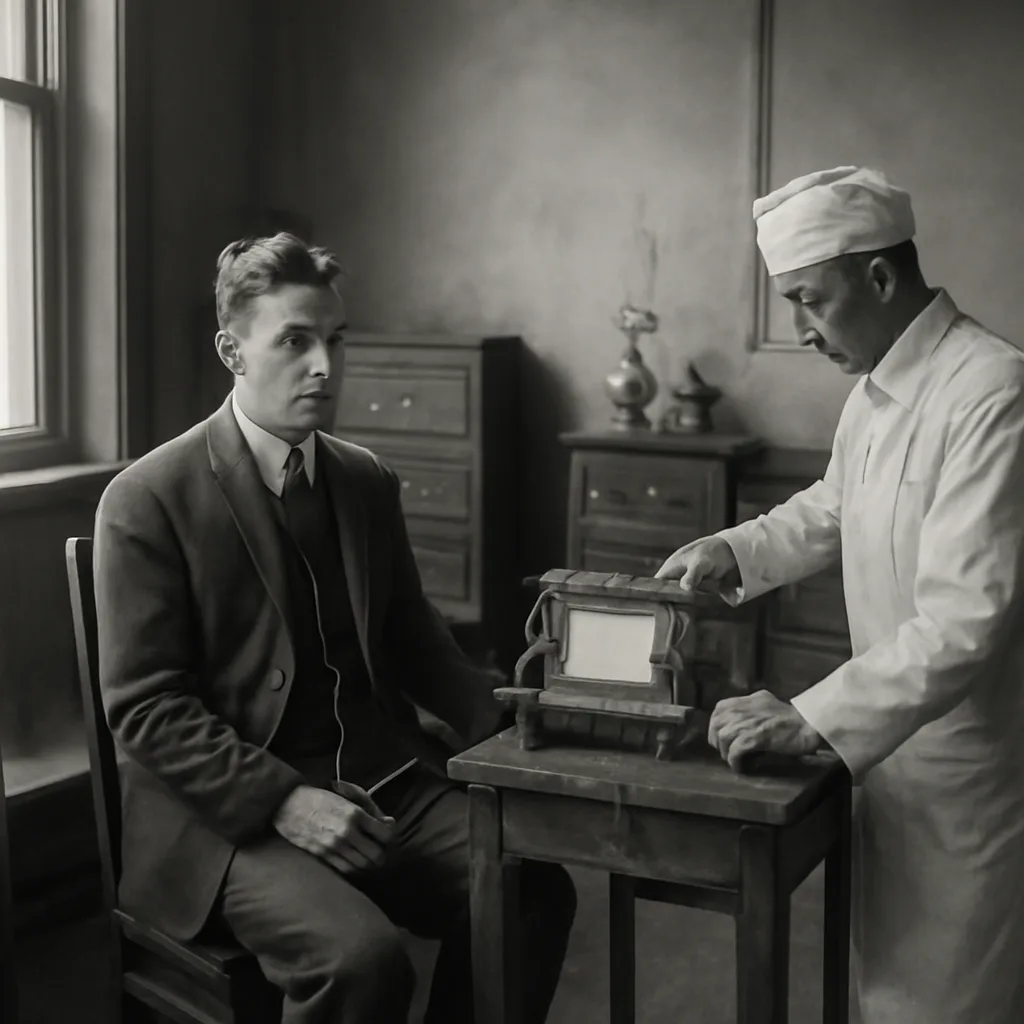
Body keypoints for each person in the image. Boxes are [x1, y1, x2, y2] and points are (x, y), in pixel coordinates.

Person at [94, 232, 576, 1024]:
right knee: (361, 961)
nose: (324, 364)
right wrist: (284, 800)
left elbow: (415, 641)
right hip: (228, 822)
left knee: (529, 893)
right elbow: (147, 708)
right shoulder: (147, 499)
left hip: (384, 784)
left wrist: (518, 726)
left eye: (335, 340)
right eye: (295, 340)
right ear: (232, 350)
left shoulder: (363, 479)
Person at [657, 167, 1024, 1024]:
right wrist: (732, 547)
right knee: (883, 990)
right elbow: (833, 505)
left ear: (881, 277)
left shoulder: (994, 392)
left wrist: (812, 715)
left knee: (950, 1001)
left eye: (810, 301)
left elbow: (967, 624)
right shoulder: (875, 390)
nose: (802, 330)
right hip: (891, 755)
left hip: (965, 770)